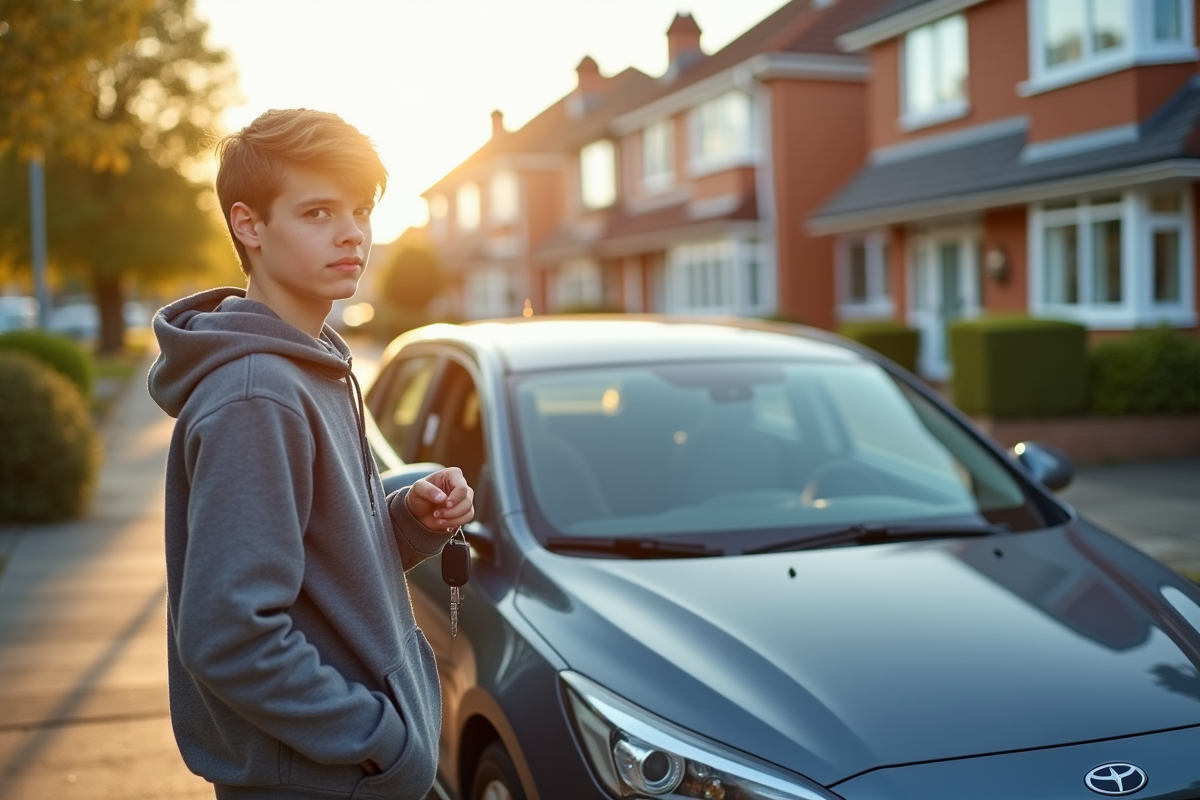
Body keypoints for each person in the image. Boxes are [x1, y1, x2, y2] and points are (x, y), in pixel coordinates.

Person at [148, 108, 473, 799]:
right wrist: (378, 741)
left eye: (359, 209)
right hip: (317, 780)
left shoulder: (312, 367)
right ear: (249, 225)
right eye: (319, 211)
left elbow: (314, 572)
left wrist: (407, 520)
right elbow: (229, 635)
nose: (352, 231)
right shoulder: (256, 395)